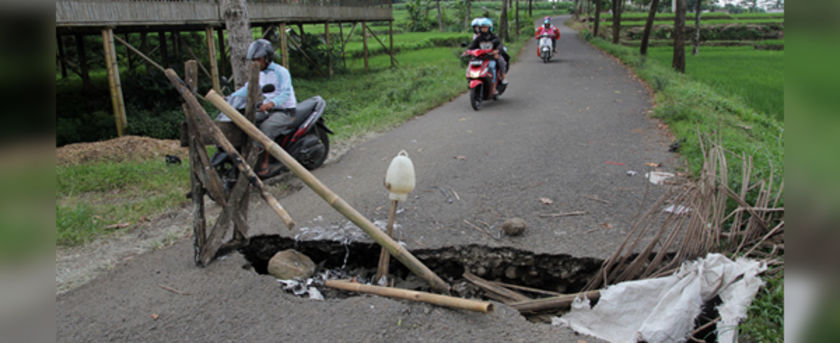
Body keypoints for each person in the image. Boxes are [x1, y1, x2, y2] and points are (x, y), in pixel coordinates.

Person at [230, 38, 297, 175]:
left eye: (258, 59)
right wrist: (230, 98)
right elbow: (248, 89)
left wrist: (271, 103)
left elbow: (285, 92)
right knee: (244, 121)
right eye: (253, 60)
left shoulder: (281, 71)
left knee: (265, 129)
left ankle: (265, 161)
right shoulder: (258, 73)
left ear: (267, 58)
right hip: (268, 109)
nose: (255, 63)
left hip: (285, 111)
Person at [464, 18, 506, 95]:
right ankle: (471, 80)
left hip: (491, 57)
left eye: (486, 27)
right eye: (482, 28)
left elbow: (500, 45)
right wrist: (467, 51)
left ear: (490, 28)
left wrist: (497, 51)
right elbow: (472, 45)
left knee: (492, 67)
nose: (484, 29)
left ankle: (493, 87)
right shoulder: (479, 38)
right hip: (481, 58)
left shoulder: (494, 37)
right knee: (471, 65)